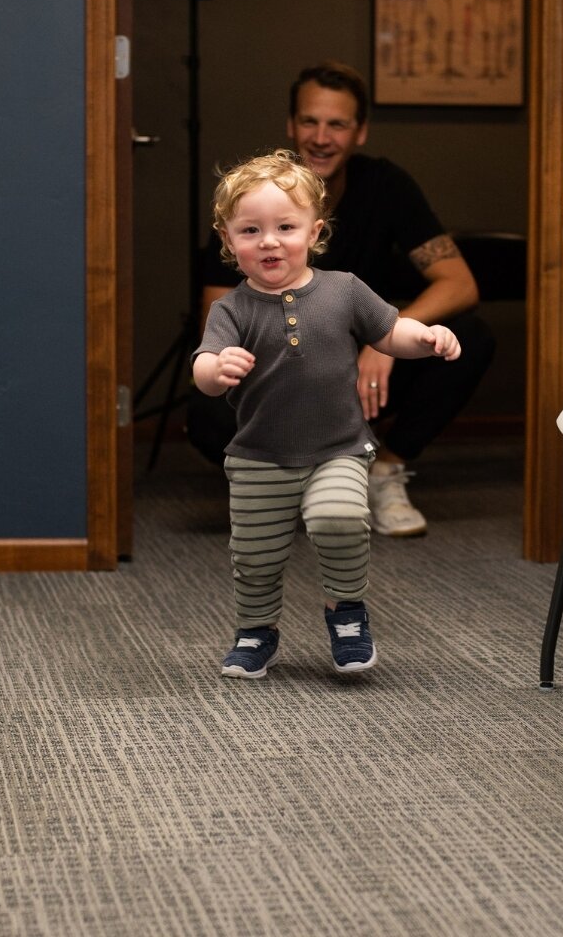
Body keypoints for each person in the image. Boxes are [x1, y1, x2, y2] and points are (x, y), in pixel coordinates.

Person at [189, 60, 495, 537]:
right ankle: (285, 481)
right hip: (274, 370)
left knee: (465, 338)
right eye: (310, 121)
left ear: (360, 132)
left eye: (338, 124)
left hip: (366, 361)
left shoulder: (385, 187)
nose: (321, 136)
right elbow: (216, 308)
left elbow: (460, 283)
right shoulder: (252, 197)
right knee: (204, 401)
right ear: (291, 126)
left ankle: (383, 471)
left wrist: (379, 343)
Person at [192, 149, 461, 679]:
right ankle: (256, 630)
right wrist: (216, 366)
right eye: (250, 230)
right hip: (258, 457)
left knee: (339, 519)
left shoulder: (345, 290)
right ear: (228, 240)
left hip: (337, 447)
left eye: (285, 227)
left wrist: (424, 338)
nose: (268, 241)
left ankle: (347, 614)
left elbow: (390, 331)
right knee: (256, 554)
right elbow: (201, 367)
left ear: (314, 232)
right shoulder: (232, 308)